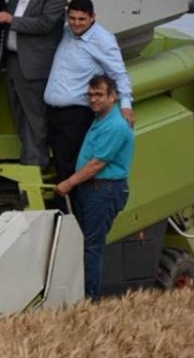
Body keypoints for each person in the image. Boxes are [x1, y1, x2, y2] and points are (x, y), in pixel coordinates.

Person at [55, 74, 134, 300]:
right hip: (94, 190)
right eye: (90, 95)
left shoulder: (115, 125)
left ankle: (90, 300)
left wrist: (67, 184)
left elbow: (97, 164)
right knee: (86, 244)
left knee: (92, 246)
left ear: (113, 96)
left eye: (99, 95)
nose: (93, 99)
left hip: (104, 190)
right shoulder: (101, 119)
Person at [45, 0, 134, 185]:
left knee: (68, 168)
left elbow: (119, 74)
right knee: (56, 166)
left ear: (93, 17)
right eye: (72, 18)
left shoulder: (103, 39)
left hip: (76, 114)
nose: (76, 23)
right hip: (52, 112)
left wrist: (126, 104)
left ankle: (70, 212)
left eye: (81, 19)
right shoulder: (67, 32)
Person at [0, 0, 67, 168]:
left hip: (35, 65)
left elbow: (46, 24)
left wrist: (11, 20)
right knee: (18, 113)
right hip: (13, 59)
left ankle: (37, 164)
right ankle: (28, 158)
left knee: (35, 117)